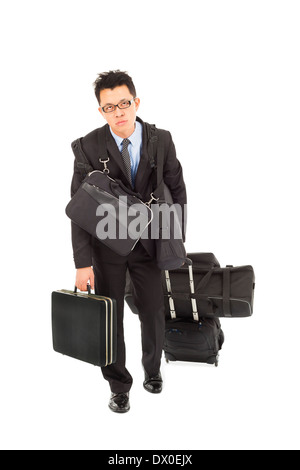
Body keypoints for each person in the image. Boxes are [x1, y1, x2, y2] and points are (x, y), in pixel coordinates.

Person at [70, 70, 187, 413]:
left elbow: (177, 190)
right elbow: (78, 209)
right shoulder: (89, 146)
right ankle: (118, 385)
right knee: (111, 317)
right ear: (101, 112)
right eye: (110, 107)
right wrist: (82, 263)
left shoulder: (161, 139)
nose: (119, 112)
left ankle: (153, 370)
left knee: (153, 311)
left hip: (151, 243)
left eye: (124, 103)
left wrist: (176, 239)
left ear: (136, 102)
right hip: (107, 247)